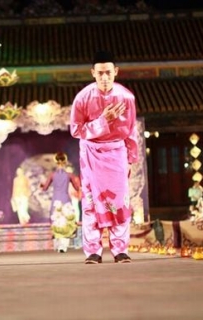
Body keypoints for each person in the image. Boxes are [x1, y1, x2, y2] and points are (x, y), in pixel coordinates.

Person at [70, 50, 138, 264]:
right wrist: (102, 120)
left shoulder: (126, 97)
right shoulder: (82, 98)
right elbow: (76, 130)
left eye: (108, 72)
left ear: (116, 72)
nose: (104, 77)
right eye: (100, 73)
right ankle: (93, 251)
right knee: (90, 202)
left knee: (119, 201)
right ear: (93, 73)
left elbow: (131, 130)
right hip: (91, 153)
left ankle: (120, 249)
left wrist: (131, 159)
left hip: (117, 152)